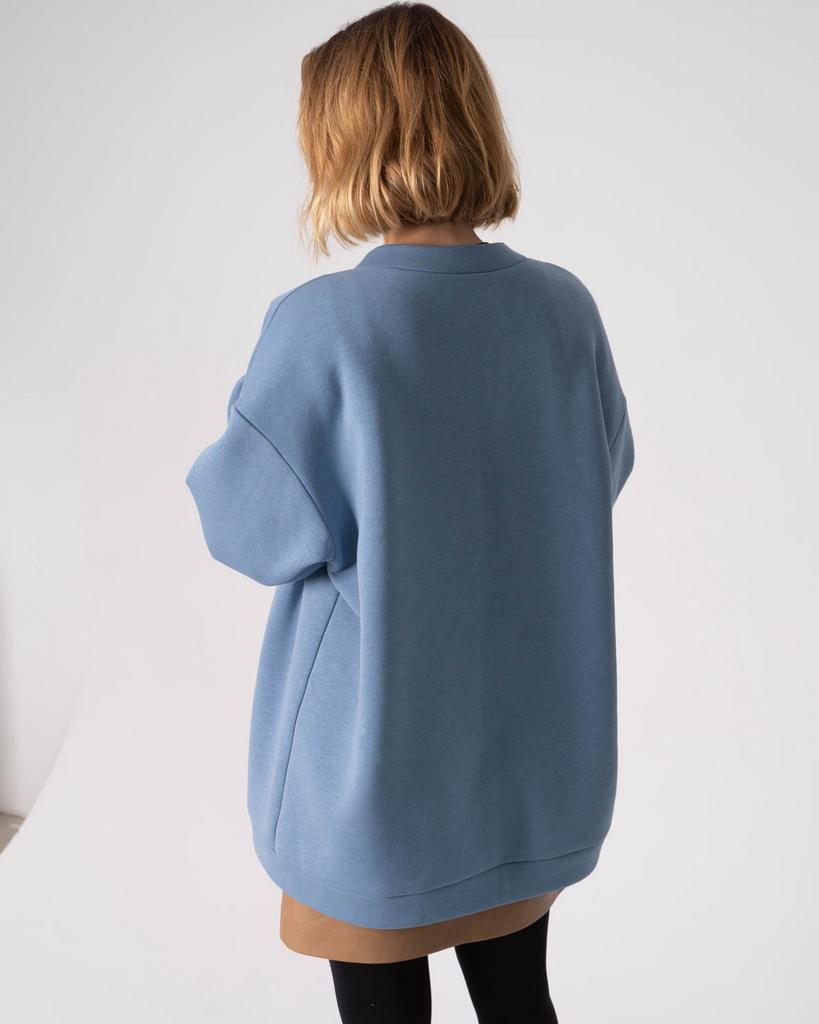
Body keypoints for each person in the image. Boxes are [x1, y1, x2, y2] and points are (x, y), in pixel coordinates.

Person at [185, 3, 635, 1021]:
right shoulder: (563, 308)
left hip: (375, 780)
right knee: (519, 1000)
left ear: (345, 139)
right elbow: (598, 471)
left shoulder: (326, 325)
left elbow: (244, 527)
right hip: (527, 769)